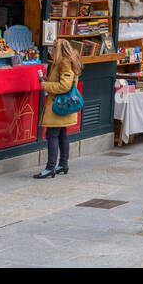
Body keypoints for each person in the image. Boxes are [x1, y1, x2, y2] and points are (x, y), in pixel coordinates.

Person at [35, 38, 82, 179]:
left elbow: (64, 86)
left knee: (52, 134)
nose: (51, 51)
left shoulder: (64, 63)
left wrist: (45, 86)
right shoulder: (66, 61)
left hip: (59, 105)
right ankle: (63, 164)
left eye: (53, 48)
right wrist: (47, 80)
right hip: (63, 105)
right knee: (62, 134)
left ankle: (50, 167)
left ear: (59, 50)